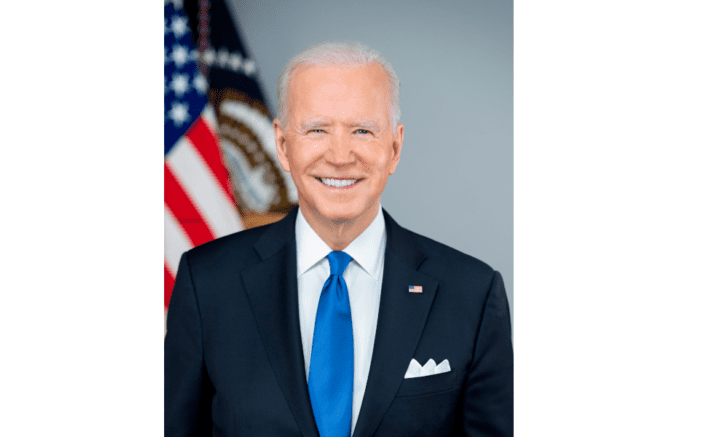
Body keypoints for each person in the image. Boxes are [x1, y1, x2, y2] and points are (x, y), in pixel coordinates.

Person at [165, 41, 513, 437]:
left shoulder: (472, 294)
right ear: (282, 145)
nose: (340, 155)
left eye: (362, 130)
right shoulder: (206, 282)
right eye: (317, 130)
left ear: (395, 147)